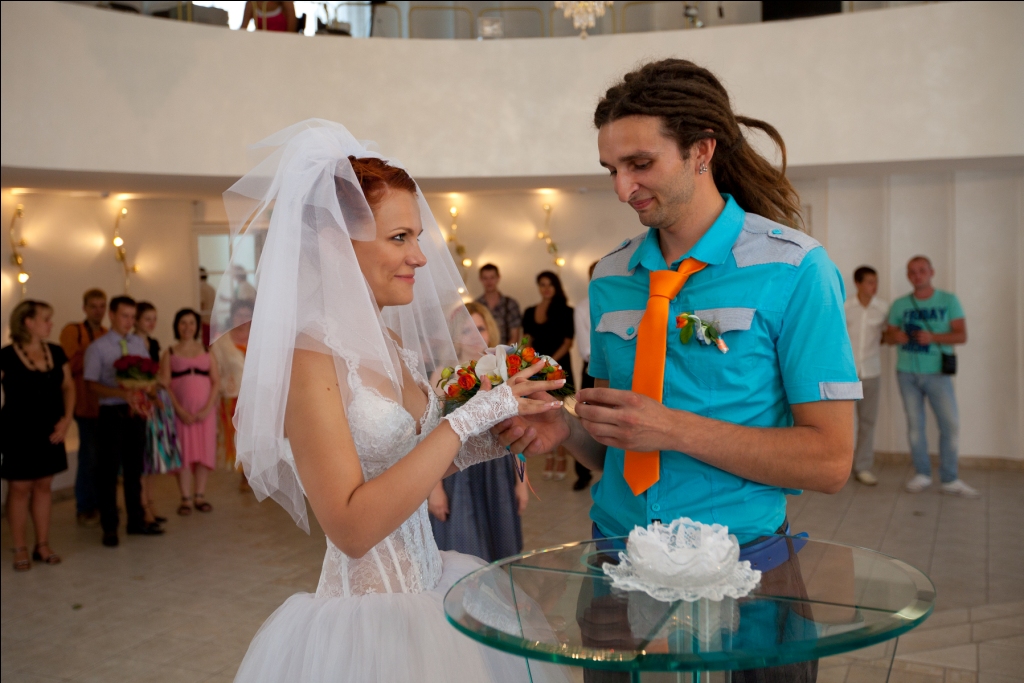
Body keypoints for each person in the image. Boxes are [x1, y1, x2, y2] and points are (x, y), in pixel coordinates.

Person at [496, 59, 862, 683]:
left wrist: (671, 428)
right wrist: (567, 429)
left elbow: (830, 462)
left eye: (640, 163)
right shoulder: (610, 278)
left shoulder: (796, 271)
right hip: (616, 560)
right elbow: (618, 448)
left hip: (747, 571)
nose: (623, 189)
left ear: (701, 151)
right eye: (612, 169)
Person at [222, 121, 565, 683]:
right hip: (370, 617)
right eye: (400, 237)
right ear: (337, 243)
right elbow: (352, 529)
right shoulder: (311, 358)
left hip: (432, 581)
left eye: (417, 237)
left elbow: (404, 466)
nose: (421, 258)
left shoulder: (391, 343)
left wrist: (487, 438)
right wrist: (464, 422)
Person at [428, 301, 529, 561]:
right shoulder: (441, 376)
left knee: (500, 550)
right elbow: (430, 436)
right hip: (457, 474)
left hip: (497, 473)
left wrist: (522, 483)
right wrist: (434, 489)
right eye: (466, 330)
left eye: (480, 328)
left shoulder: (502, 374)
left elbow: (517, 431)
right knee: (465, 552)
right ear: (455, 336)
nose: (475, 336)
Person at [884, 256, 977, 497]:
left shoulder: (948, 300)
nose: (917, 276)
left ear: (931, 272)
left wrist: (933, 337)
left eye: (922, 271)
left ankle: (950, 478)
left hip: (937, 373)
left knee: (950, 425)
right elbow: (887, 336)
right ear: (908, 276)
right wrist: (896, 337)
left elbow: (961, 335)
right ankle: (922, 474)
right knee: (915, 426)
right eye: (912, 272)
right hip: (907, 372)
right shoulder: (900, 304)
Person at [84, 295, 164, 547]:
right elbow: (91, 384)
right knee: (108, 471)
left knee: (134, 469)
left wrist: (150, 392)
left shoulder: (138, 344)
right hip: (111, 412)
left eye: (132, 317)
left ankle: (136, 521)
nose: (129, 321)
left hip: (135, 412)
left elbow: (148, 374)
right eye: (124, 316)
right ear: (112, 315)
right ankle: (110, 527)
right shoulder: (98, 347)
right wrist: (120, 393)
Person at [2, 301, 74, 571]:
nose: (50, 324)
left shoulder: (55, 351)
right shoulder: (6, 355)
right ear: (28, 322)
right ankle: (20, 547)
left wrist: (66, 420)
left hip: (51, 430)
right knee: (20, 488)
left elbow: (69, 387)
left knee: (44, 485)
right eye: (45, 319)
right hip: (17, 431)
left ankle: (42, 544)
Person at [160, 309, 220, 516]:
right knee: (184, 453)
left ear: (197, 326)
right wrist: (178, 409)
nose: (187, 327)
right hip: (181, 412)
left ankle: (199, 495)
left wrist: (208, 408)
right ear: (177, 326)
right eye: (183, 323)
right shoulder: (169, 352)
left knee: (204, 452)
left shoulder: (207, 350)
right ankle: (185, 497)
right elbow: (165, 385)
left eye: (191, 323)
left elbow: (216, 381)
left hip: (205, 412)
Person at [59, 288, 107, 526]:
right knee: (88, 456)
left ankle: (102, 501)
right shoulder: (73, 331)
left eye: (102, 306)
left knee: (104, 457)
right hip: (84, 404)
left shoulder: (107, 333)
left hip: (105, 404)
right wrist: (93, 352)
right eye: (93, 306)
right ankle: (85, 506)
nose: (98, 311)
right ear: (84, 308)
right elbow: (65, 367)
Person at [522, 270, 575, 480]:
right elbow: (527, 339)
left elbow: (568, 343)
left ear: (556, 286)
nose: (546, 288)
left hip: (558, 368)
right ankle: (549, 457)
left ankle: (561, 458)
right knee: (543, 413)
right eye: (542, 284)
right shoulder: (529, 311)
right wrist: (528, 362)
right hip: (537, 369)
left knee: (559, 413)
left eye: (549, 284)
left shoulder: (566, 311)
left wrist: (549, 363)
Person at [134, 302, 180, 523]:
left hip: (155, 398)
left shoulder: (152, 343)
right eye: (147, 319)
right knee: (143, 456)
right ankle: (142, 504)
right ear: (136, 320)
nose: (152, 323)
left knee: (151, 458)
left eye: (154, 319)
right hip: (143, 400)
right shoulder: (130, 342)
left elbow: (159, 374)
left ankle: (149, 502)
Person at [844, 266, 888, 486]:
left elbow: (886, 335)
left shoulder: (883, 309)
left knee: (867, 422)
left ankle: (862, 467)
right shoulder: (845, 307)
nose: (874, 286)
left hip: (871, 372)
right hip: (845, 374)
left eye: (876, 282)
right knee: (842, 423)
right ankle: (839, 466)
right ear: (858, 284)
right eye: (870, 282)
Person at [210, 298, 251, 489]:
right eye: (239, 315)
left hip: (258, 397)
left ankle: (260, 474)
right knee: (238, 437)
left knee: (257, 435)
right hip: (232, 396)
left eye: (247, 315)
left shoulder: (260, 337)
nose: (243, 319)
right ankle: (245, 474)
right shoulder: (221, 342)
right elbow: (215, 370)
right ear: (232, 317)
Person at [571, 261, 599, 491]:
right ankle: (583, 471)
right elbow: (585, 349)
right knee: (586, 417)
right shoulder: (583, 307)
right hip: (593, 368)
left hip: (618, 370)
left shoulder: (620, 300)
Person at [476, 263, 522, 345]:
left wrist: (503, 352)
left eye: (492, 277)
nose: (489, 282)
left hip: (505, 351)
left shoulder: (510, 304)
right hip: (481, 350)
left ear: (498, 278)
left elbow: (515, 337)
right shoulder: (476, 305)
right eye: (485, 278)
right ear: (480, 279)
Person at [199, 267, 216, 347]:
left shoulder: (200, 289)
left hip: (204, 321)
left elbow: (201, 305)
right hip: (213, 320)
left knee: (205, 345)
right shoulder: (211, 288)